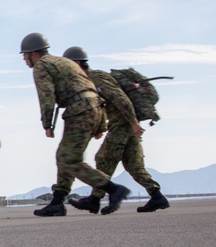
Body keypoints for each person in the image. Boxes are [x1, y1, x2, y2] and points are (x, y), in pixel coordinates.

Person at [19, 33, 130, 217]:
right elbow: (91, 88)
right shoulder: (65, 62)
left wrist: (47, 123)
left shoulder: (42, 66)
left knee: (68, 159)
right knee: (65, 156)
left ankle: (113, 189)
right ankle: (58, 201)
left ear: (34, 53)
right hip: (94, 108)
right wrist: (100, 124)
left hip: (80, 110)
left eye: (25, 55)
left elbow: (46, 95)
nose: (24, 59)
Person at [62, 46, 170, 214]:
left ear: (76, 63)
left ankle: (95, 199)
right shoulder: (90, 80)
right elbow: (104, 106)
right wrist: (100, 127)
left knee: (104, 159)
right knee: (134, 165)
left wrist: (133, 123)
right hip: (124, 124)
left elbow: (121, 100)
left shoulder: (96, 78)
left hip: (122, 124)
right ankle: (157, 196)